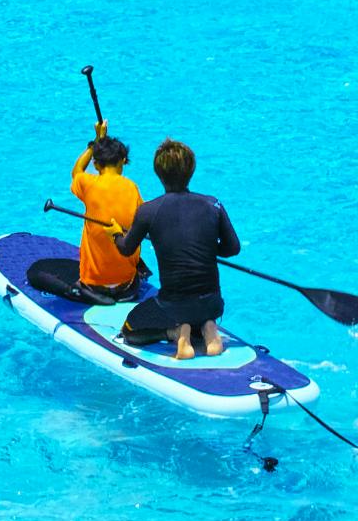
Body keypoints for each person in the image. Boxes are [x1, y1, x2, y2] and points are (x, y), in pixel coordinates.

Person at [121, 139, 240, 357]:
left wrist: (115, 236)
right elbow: (233, 248)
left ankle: (177, 333)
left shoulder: (148, 211)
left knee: (129, 330)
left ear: (158, 173)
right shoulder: (213, 204)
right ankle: (208, 328)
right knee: (199, 310)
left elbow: (126, 249)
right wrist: (208, 249)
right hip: (213, 304)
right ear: (191, 170)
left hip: (174, 306)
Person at [69, 130, 146, 297]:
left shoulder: (88, 184)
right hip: (126, 287)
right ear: (123, 161)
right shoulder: (132, 188)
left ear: (96, 165)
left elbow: (77, 171)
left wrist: (94, 143)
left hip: (93, 286)